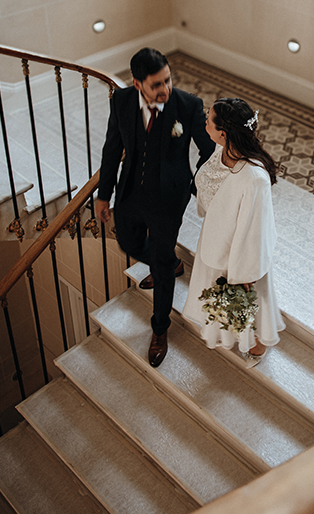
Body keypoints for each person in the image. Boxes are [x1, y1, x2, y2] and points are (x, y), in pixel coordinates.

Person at [96, 48, 214, 368]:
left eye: (168, 80)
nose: (165, 89)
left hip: (168, 199)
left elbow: (209, 151)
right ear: (138, 84)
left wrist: (191, 185)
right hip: (131, 191)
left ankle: (160, 328)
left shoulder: (188, 106)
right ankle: (171, 264)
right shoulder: (121, 102)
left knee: (159, 265)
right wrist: (104, 195)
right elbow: (112, 149)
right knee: (129, 242)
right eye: (156, 84)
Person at [182, 97, 285, 364]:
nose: (205, 119)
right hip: (217, 238)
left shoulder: (255, 179)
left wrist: (243, 274)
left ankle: (259, 343)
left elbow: (255, 231)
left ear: (223, 133)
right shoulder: (223, 149)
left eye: (209, 118)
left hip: (240, 254)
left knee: (249, 301)